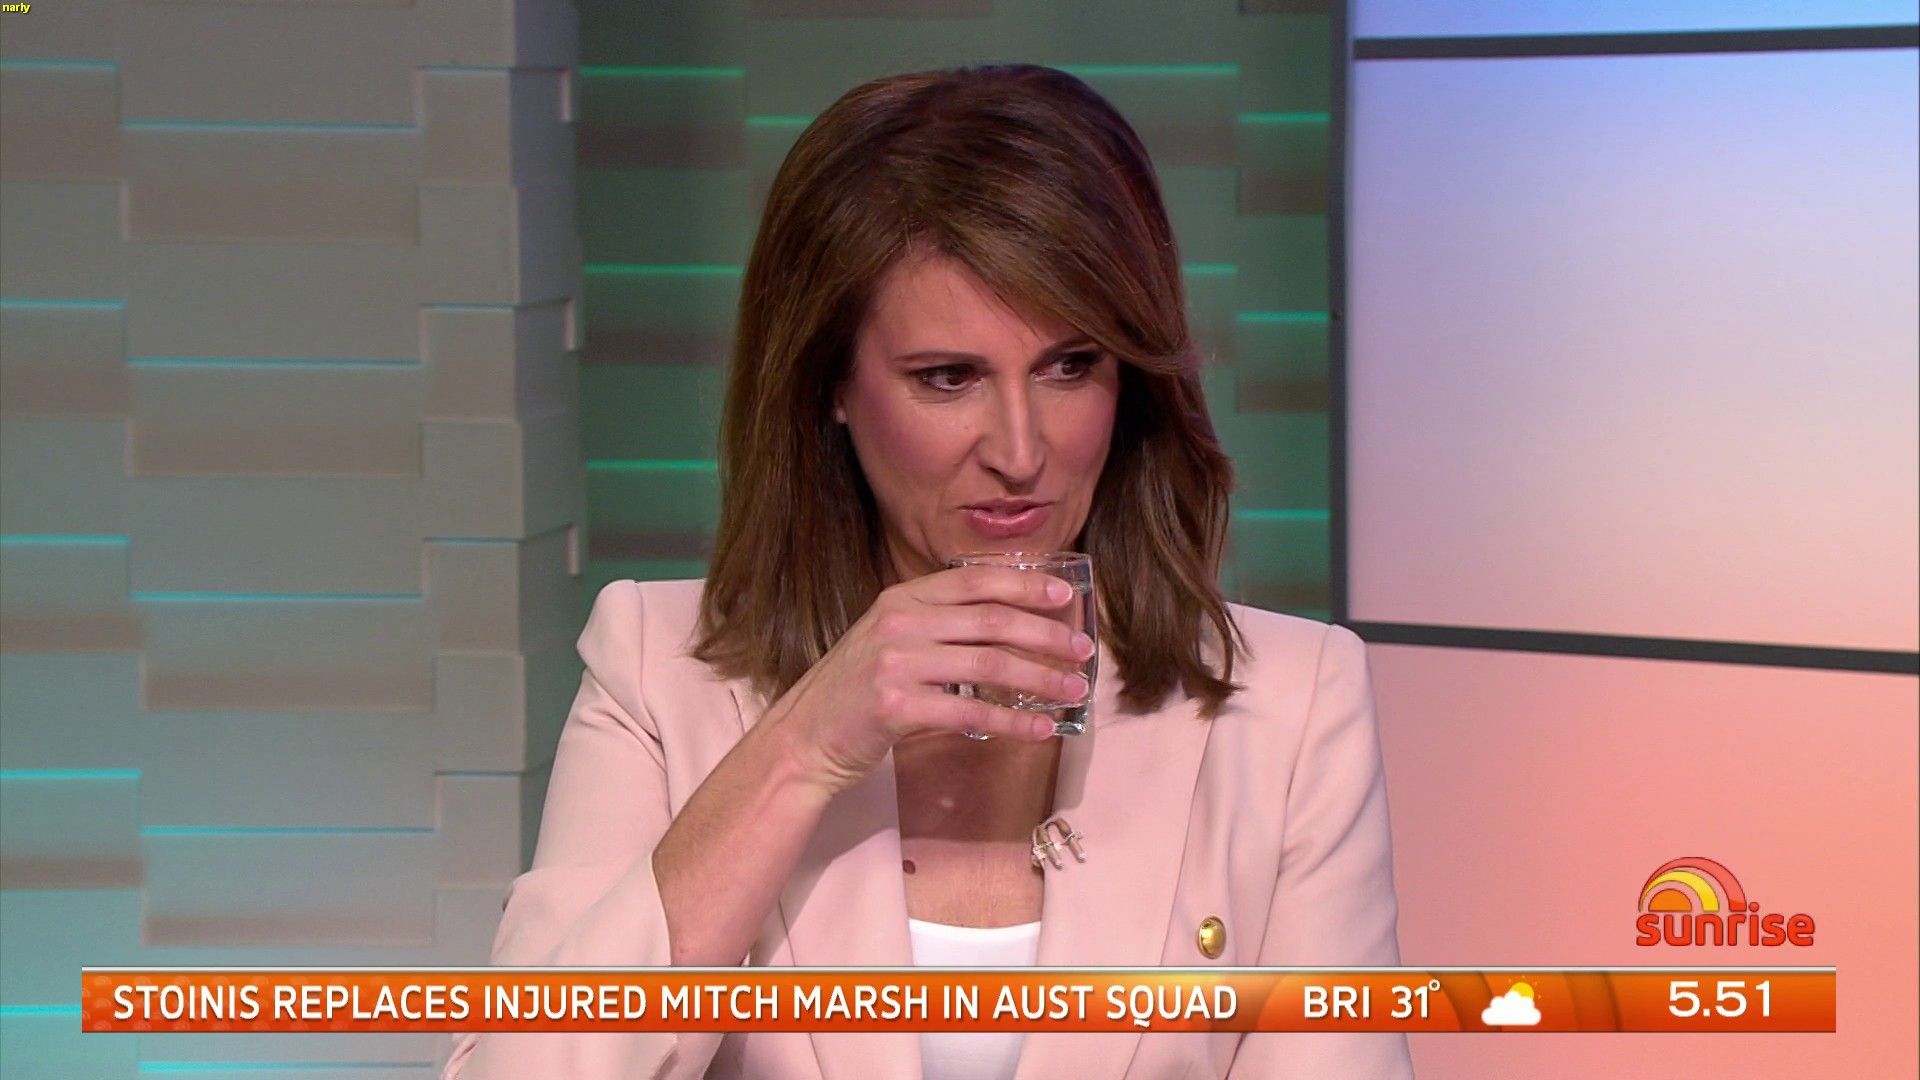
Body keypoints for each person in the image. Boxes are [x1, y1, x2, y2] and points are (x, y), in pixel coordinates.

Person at [444, 63, 1411, 1079]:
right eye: (948, 378)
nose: (1021, 452)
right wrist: (804, 745)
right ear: (830, 386)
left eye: (1071, 366)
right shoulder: (658, 674)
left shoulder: (1295, 704)